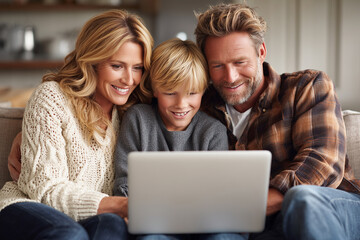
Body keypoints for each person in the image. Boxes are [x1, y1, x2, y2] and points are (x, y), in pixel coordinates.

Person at [194, 3, 360, 240]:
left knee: (301, 198)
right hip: (257, 225)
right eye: (218, 66)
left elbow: (323, 163)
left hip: (329, 206)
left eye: (240, 62)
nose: (230, 77)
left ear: (261, 52)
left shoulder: (306, 86)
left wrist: (247, 206)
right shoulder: (200, 107)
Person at [0, 9, 153, 239]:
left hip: (94, 217)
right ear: (92, 62)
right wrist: (121, 205)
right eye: (117, 66)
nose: (129, 80)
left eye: (138, 68)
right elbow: (45, 189)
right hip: (28, 206)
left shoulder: (135, 115)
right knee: (68, 232)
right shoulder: (51, 97)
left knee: (115, 228)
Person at [113, 38, 246, 240]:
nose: (181, 104)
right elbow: (125, 181)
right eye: (170, 93)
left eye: (192, 93)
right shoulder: (138, 119)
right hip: (154, 226)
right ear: (155, 89)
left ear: (204, 90)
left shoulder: (213, 131)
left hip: (204, 225)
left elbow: (216, 192)